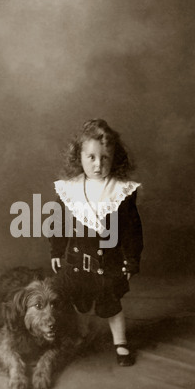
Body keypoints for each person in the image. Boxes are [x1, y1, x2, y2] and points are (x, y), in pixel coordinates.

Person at [49, 119, 143, 366]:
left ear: (115, 158)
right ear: (78, 156)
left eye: (105, 158)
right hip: (76, 262)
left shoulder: (120, 191)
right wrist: (57, 250)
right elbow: (59, 223)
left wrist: (131, 260)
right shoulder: (70, 189)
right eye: (91, 157)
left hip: (107, 263)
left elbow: (132, 230)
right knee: (67, 296)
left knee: (111, 305)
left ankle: (120, 342)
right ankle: (70, 334)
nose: (98, 164)